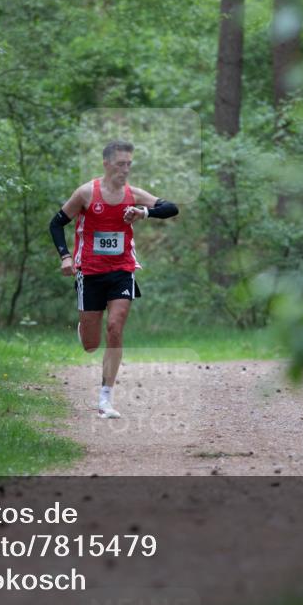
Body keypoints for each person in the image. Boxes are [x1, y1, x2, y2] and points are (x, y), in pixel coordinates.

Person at [48, 140, 179, 418]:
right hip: (89, 272)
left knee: (116, 327)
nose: (125, 169)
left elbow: (171, 208)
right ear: (106, 164)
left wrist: (144, 212)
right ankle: (85, 328)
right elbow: (56, 223)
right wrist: (65, 257)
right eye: (120, 164)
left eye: (129, 164)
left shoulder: (133, 194)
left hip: (122, 269)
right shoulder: (86, 193)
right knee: (91, 345)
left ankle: (105, 398)